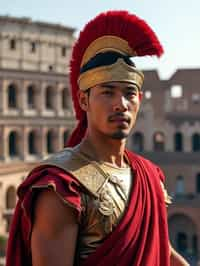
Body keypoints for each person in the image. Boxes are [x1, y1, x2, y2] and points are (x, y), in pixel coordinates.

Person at [6, 10, 189, 266]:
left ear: (140, 101)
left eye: (129, 93)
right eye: (107, 92)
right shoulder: (61, 187)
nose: (121, 104)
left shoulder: (148, 174)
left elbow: (164, 251)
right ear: (84, 100)